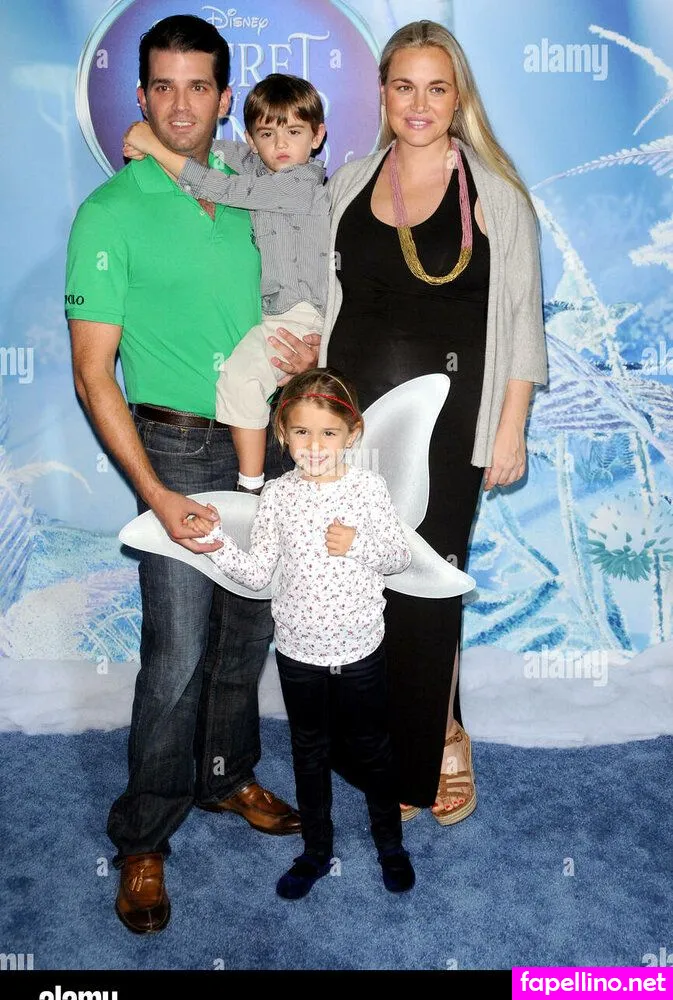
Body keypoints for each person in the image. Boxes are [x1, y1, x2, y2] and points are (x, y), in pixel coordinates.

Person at [65, 15, 305, 935]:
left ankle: (225, 776)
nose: (179, 104)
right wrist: (155, 494)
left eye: (197, 86)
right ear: (140, 96)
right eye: (162, 87)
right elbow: (94, 375)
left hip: (268, 445)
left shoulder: (258, 190)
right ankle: (143, 836)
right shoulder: (108, 213)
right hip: (172, 449)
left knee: (247, 636)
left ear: (224, 98)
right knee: (175, 654)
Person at [273, 21, 548, 825]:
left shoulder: (496, 195)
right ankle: (398, 736)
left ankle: (425, 755)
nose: (418, 104)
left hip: (452, 425)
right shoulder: (348, 183)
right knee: (358, 578)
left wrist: (509, 426)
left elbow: (521, 322)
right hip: (348, 427)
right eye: (403, 86)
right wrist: (303, 351)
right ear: (382, 93)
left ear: (458, 98)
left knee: (425, 582)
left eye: (435, 88)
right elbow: (323, 293)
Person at [190, 368, 416, 898]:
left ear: (352, 433)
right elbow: (257, 575)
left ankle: (390, 845)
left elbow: (399, 556)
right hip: (298, 651)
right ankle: (316, 850)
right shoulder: (276, 496)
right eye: (302, 433)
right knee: (308, 751)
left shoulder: (368, 489)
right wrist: (218, 543)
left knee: (372, 748)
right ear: (282, 434)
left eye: (328, 432)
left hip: (360, 648)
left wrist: (358, 544)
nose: (315, 446)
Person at [123, 73, 329, 496]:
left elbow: (224, 186)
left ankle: (251, 487)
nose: (281, 144)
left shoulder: (301, 183)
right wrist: (153, 137)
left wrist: (154, 147)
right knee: (245, 383)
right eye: (267, 134)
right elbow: (211, 149)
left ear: (317, 136)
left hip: (301, 312)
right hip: (277, 311)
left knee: (240, 380)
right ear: (252, 140)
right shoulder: (259, 164)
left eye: (294, 132)